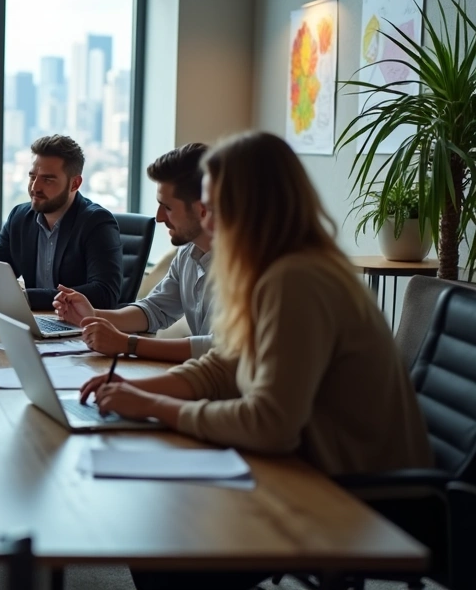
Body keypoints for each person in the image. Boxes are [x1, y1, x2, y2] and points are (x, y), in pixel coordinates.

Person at [77, 132, 431, 590]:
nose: (205, 218)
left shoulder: (296, 279)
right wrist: (137, 390)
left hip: (359, 490)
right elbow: (224, 364)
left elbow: (270, 423)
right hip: (310, 465)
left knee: (166, 548)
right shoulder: (272, 268)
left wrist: (154, 406)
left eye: (212, 206)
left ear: (248, 208)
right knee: (160, 528)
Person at [53, 143, 214, 362]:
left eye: (167, 207)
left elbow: (220, 350)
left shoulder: (247, 267)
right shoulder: (188, 254)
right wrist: (91, 315)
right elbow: (154, 310)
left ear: (201, 209)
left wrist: (128, 344)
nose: (159, 217)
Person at [0, 134, 122, 313]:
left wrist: (24, 298)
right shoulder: (20, 217)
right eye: (32, 177)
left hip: (77, 326)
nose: (34, 187)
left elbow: (105, 294)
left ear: (75, 184)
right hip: (31, 321)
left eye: (48, 180)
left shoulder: (97, 223)